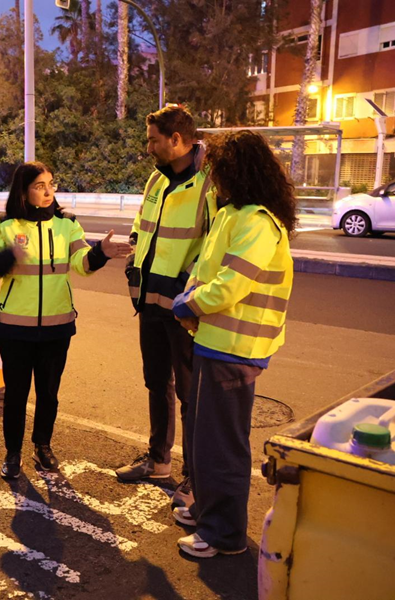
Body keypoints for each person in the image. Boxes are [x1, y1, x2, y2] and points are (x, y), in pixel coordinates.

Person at [169, 129, 296, 558]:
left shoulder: (257, 222)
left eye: (218, 170)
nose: (212, 178)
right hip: (215, 341)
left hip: (236, 348)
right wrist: (189, 303)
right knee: (207, 439)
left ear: (236, 172)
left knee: (222, 443)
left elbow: (228, 287)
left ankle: (223, 534)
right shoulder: (233, 214)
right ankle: (208, 510)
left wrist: (186, 306)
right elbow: (205, 271)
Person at [0, 162, 132, 478]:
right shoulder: (6, 225)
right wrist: (6, 257)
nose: (48, 191)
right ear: (24, 191)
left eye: (51, 184)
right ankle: (12, 453)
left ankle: (43, 446)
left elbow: (81, 264)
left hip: (57, 327)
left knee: (48, 393)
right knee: (16, 395)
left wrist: (99, 253)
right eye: (39, 186)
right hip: (14, 329)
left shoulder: (67, 225)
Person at [117, 105, 216, 510]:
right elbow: (142, 226)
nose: (149, 147)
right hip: (150, 302)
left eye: (153, 139)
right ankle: (159, 461)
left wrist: (185, 286)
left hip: (183, 308)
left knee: (192, 395)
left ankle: (195, 478)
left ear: (176, 139)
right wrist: (131, 265)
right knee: (156, 384)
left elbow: (213, 242)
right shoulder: (156, 179)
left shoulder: (210, 181)